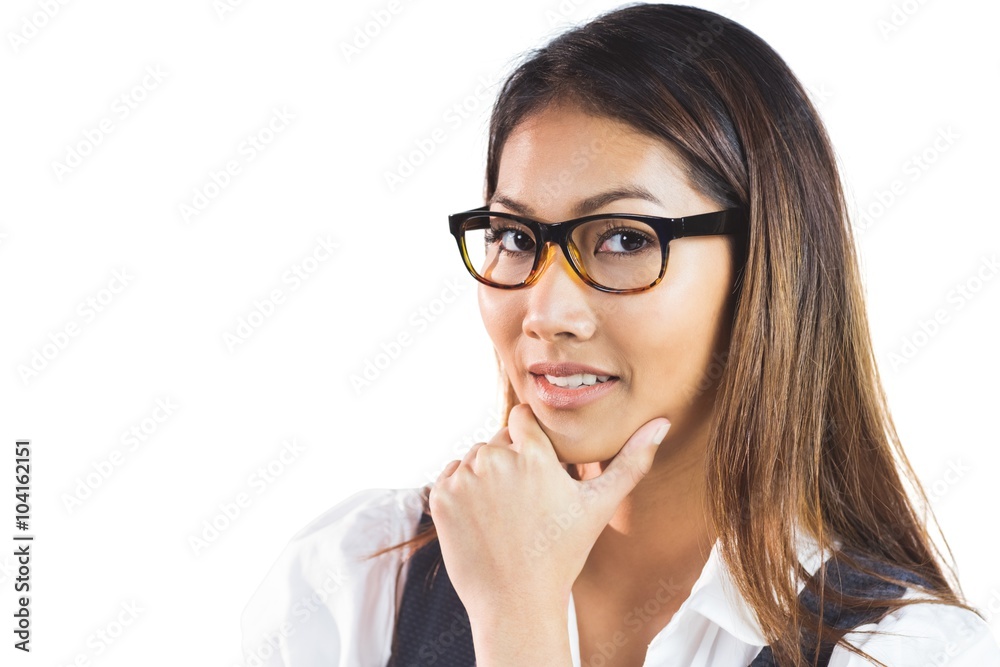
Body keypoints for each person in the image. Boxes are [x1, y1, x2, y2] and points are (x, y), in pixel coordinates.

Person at [240, 4, 1000, 665]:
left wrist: (519, 620)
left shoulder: (904, 650)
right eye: (514, 236)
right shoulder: (354, 584)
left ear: (766, 267)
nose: (547, 310)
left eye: (626, 239)